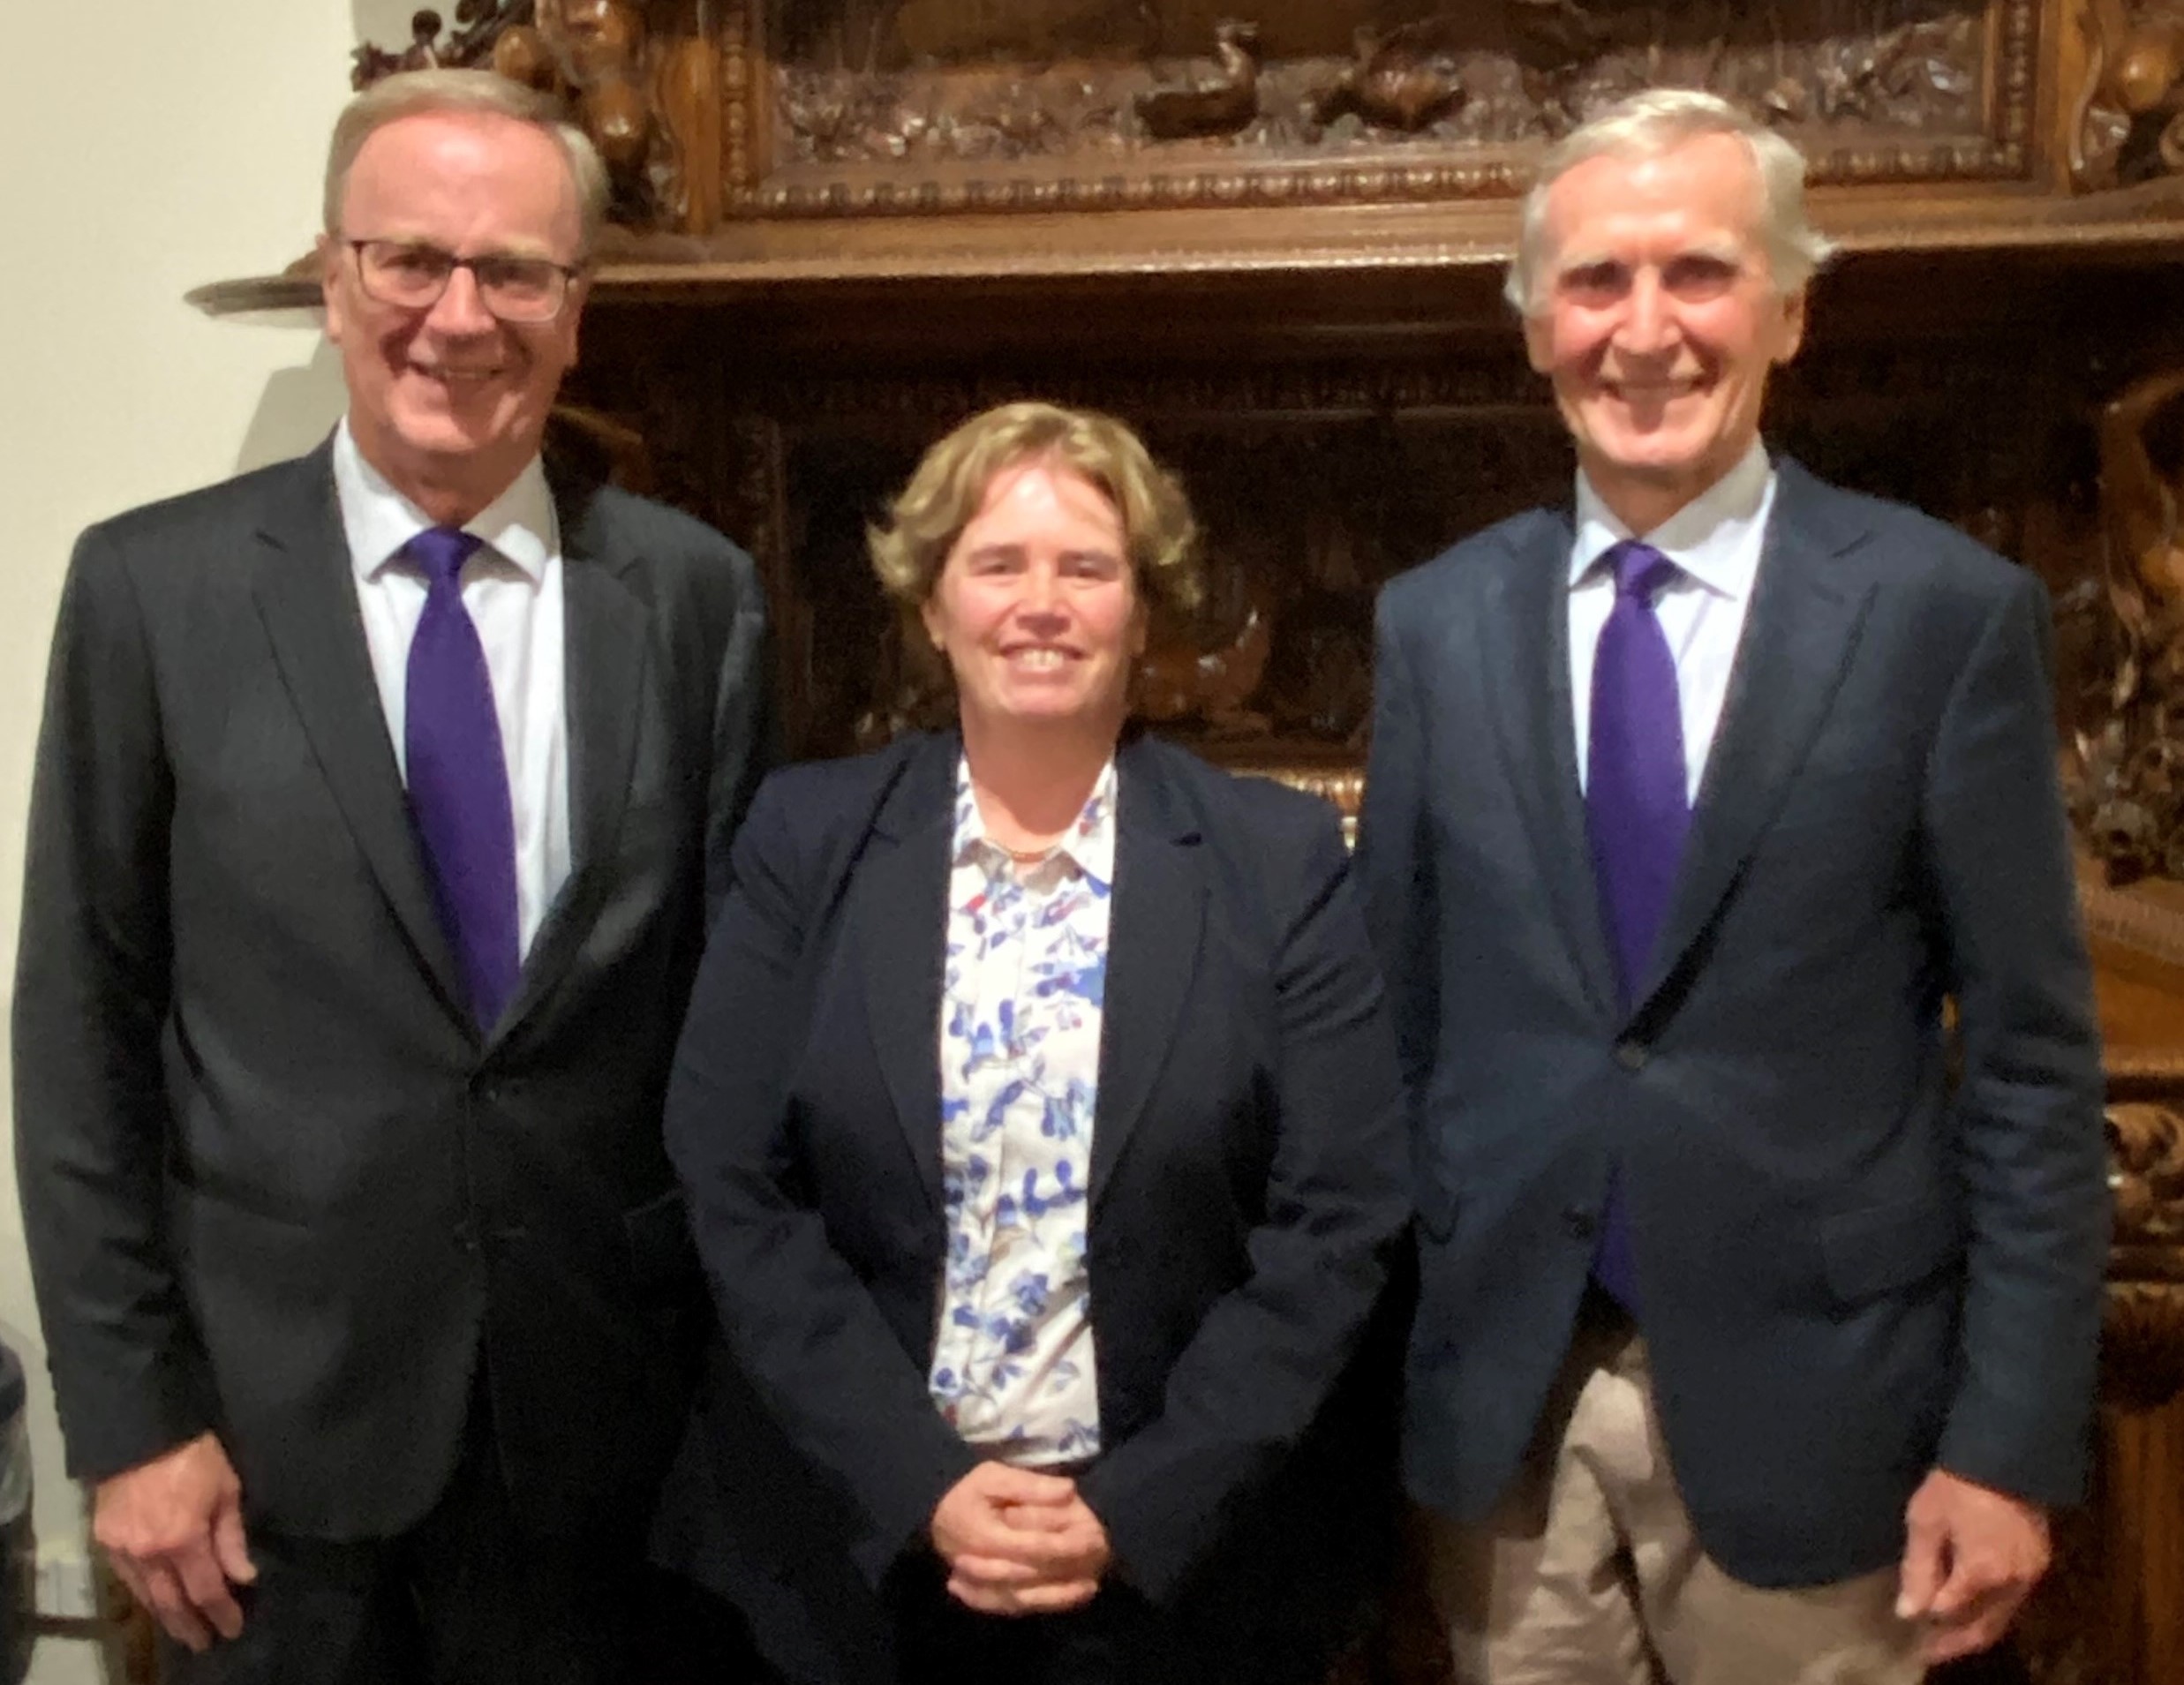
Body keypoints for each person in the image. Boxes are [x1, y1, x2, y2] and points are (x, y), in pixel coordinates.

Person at [12, 69, 772, 1683]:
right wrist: (131, 1421)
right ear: (331, 275)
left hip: (605, 1448)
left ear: (576, 311)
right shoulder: (157, 591)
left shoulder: (693, 598)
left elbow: (732, 1024)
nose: (458, 315)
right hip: (263, 1462)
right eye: (409, 259)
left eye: (515, 271)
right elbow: (81, 1031)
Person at [1357, 89, 2110, 1685]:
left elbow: (2032, 1067)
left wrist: (2009, 1441)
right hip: (1512, 1431)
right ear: (1530, 327)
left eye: (1696, 273)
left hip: (1834, 1431)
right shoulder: (1432, 624)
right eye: (1593, 282)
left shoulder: (1937, 616)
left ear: (1789, 311)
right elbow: (1396, 1030)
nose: (1644, 333)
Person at [652, 401, 1409, 1683]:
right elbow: (730, 1178)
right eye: (997, 564)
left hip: (1179, 1574)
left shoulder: (1272, 859)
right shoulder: (806, 839)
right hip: (856, 1561)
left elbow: (1340, 1212)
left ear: (1143, 607)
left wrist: (1142, 1503)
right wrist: (918, 1481)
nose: (1040, 602)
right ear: (932, 603)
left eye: (1085, 568)